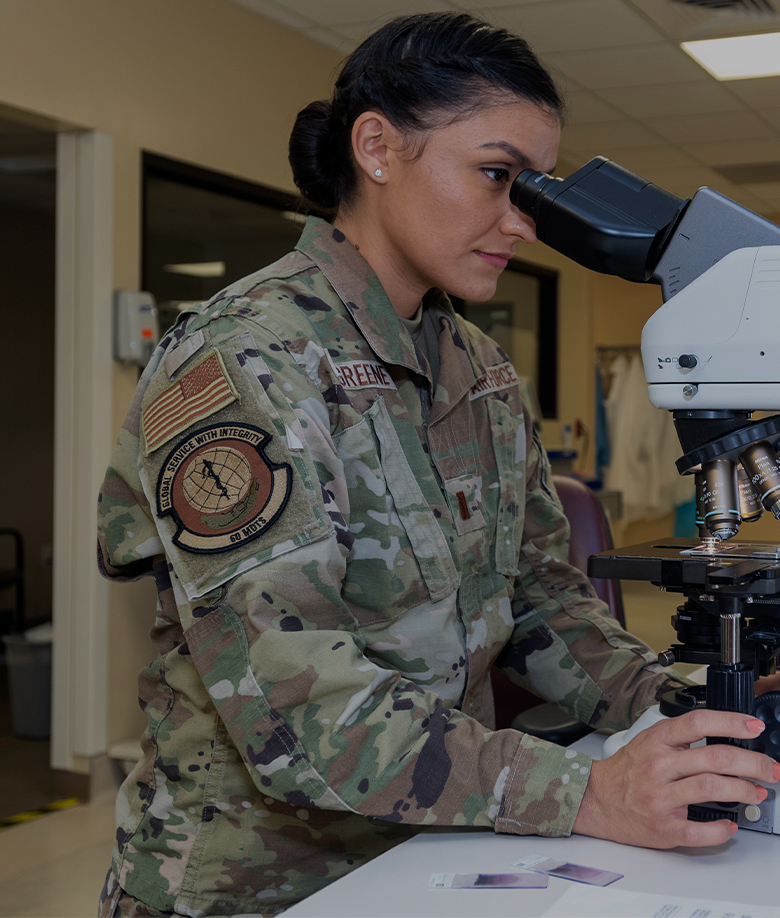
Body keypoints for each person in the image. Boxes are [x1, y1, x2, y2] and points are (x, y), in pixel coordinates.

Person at [96, 12, 780, 918]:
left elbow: (537, 597)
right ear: (377, 146)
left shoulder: (477, 367)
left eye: (532, 187)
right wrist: (587, 793)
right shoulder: (247, 361)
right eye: (497, 175)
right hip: (261, 884)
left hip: (433, 852)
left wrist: (678, 709)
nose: (522, 221)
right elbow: (298, 707)